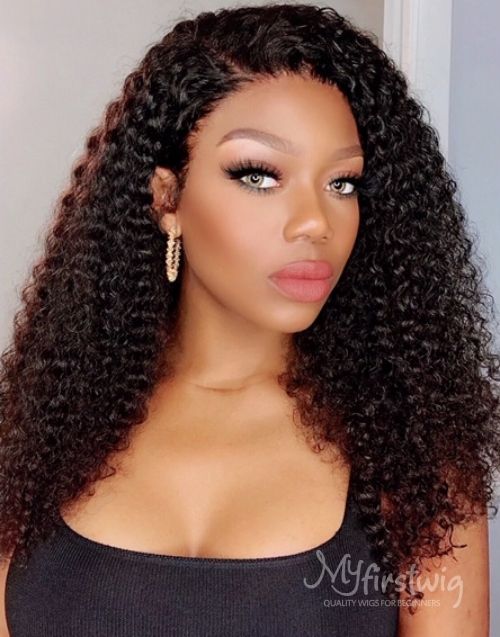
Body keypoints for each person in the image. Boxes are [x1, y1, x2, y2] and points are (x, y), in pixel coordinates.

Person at [0, 3, 497, 636]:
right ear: (167, 198)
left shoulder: (415, 455)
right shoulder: (36, 432)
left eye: (343, 183)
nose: (314, 221)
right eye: (259, 175)